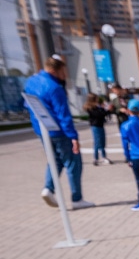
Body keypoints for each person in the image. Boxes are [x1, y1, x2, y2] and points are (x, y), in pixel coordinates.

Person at [24, 56, 93, 209]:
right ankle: (77, 198)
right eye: (63, 71)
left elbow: (27, 105)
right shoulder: (54, 87)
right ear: (55, 71)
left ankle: (48, 188)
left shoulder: (31, 82)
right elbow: (63, 114)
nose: (65, 74)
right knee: (73, 162)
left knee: (54, 161)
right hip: (59, 131)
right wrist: (73, 137)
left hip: (42, 130)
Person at [85, 93, 112, 166]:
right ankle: (97, 158)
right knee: (97, 142)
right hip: (95, 126)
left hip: (100, 125)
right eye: (96, 98)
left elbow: (103, 113)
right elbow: (99, 115)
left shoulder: (97, 106)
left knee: (102, 141)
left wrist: (106, 109)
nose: (97, 100)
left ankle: (103, 157)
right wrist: (106, 110)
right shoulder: (91, 108)